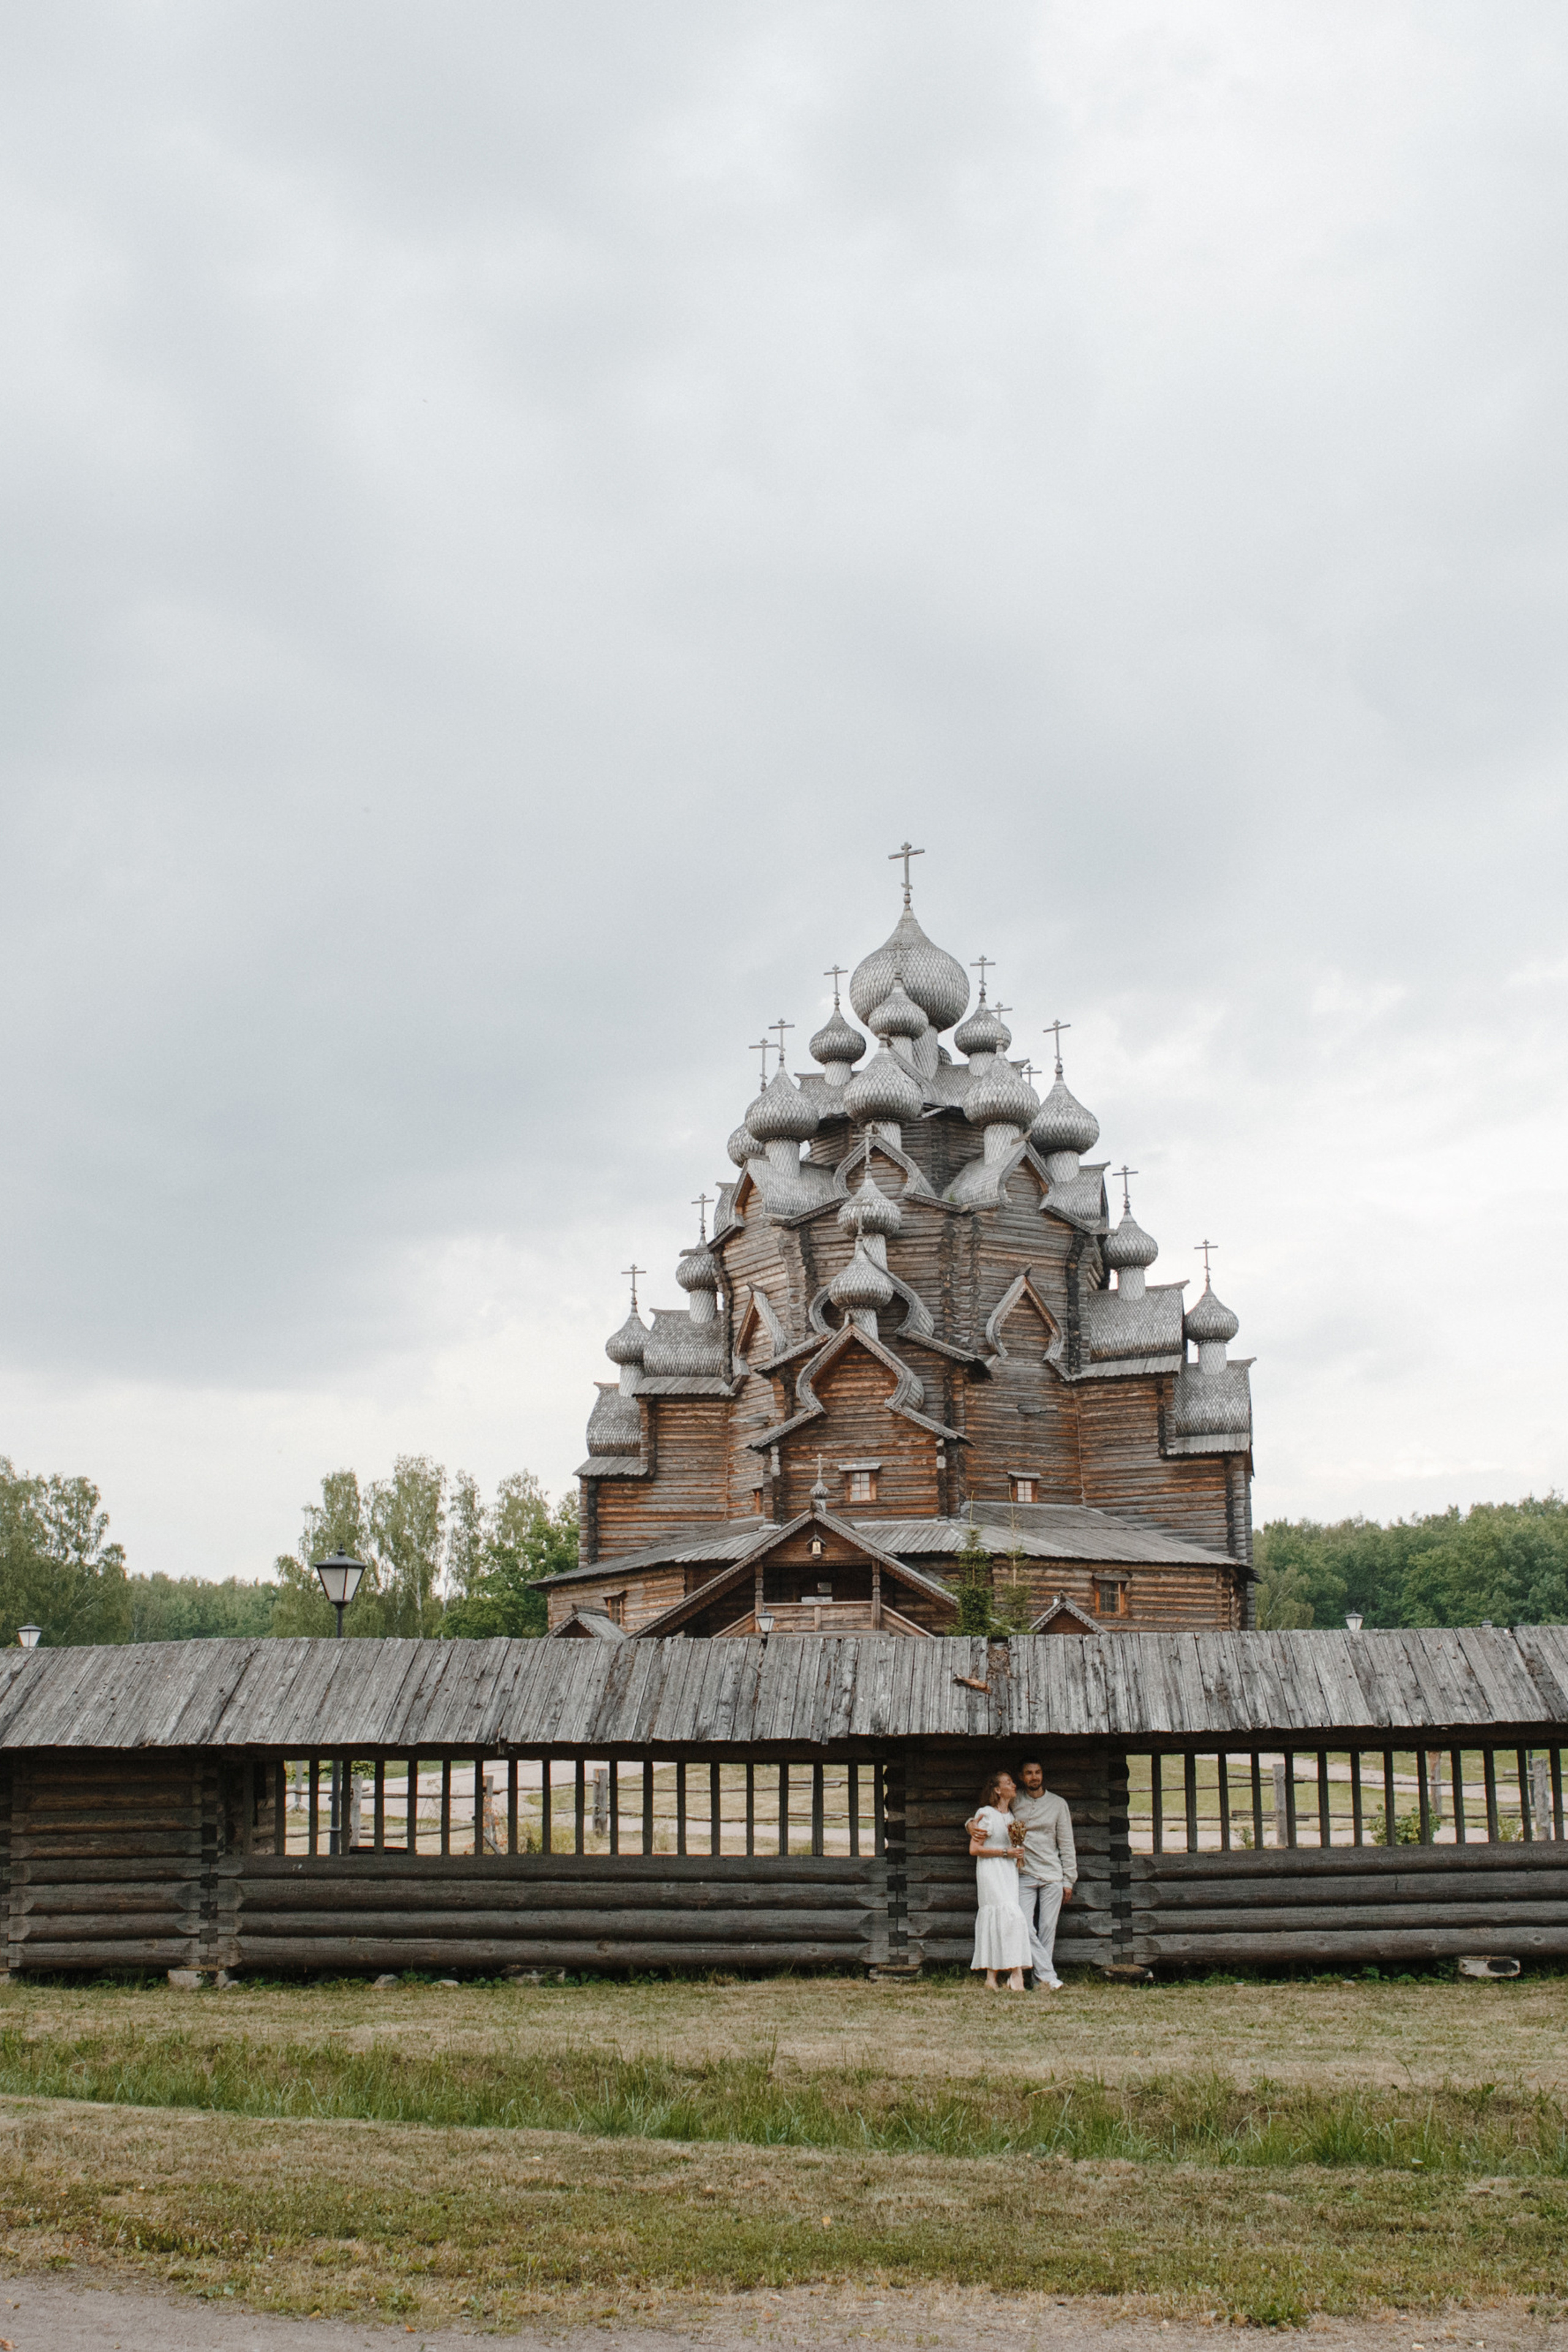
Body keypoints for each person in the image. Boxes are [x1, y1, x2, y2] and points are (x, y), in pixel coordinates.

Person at [1010, 1758, 1077, 1991]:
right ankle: (1048, 1976)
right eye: (1029, 1773)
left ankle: (1040, 1982)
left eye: (1037, 1772)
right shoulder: (1014, 1800)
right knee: (1023, 1926)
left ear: (1043, 1775)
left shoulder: (1058, 1804)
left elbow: (1067, 1844)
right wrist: (970, 1824)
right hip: (1024, 1873)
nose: (1034, 1777)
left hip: (1052, 1876)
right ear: (1021, 1777)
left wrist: (1069, 1880)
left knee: (1048, 1928)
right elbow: (991, 1812)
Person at [964, 1770, 1032, 1991]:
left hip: (1008, 1872)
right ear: (996, 1789)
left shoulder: (1010, 1816)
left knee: (1006, 1919)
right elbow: (975, 1849)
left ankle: (992, 1979)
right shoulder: (986, 1814)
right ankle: (1016, 1974)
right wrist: (1005, 1852)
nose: (1014, 1785)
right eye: (1008, 1783)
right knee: (1009, 1916)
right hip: (991, 1871)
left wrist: (1015, 1854)